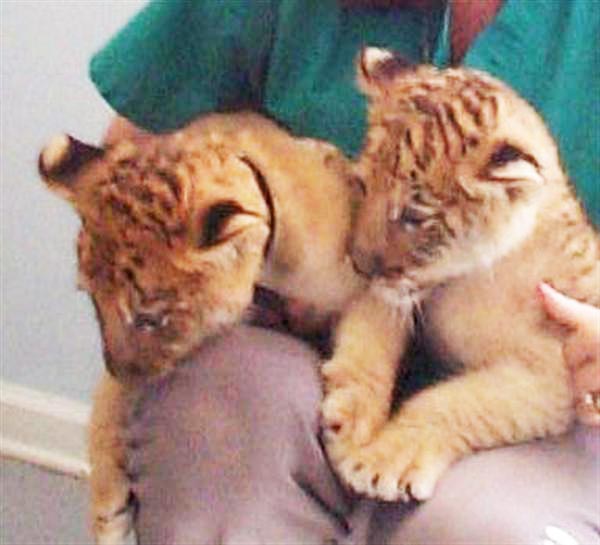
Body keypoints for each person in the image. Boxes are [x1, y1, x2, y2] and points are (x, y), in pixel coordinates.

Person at [91, 1, 599, 543]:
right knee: (219, 427)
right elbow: (126, 168)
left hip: (548, 392)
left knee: (480, 530)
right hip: (295, 344)